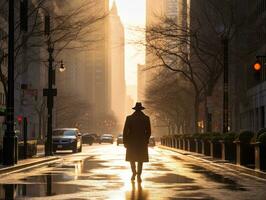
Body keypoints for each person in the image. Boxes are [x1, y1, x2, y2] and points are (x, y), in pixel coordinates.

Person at [123, 102, 151, 182]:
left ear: (135, 109)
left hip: (131, 142)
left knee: (132, 159)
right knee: (140, 160)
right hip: (142, 142)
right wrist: (146, 140)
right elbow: (148, 132)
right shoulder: (146, 118)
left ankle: (134, 173)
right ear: (141, 109)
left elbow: (125, 131)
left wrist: (125, 142)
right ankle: (139, 175)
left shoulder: (129, 118)